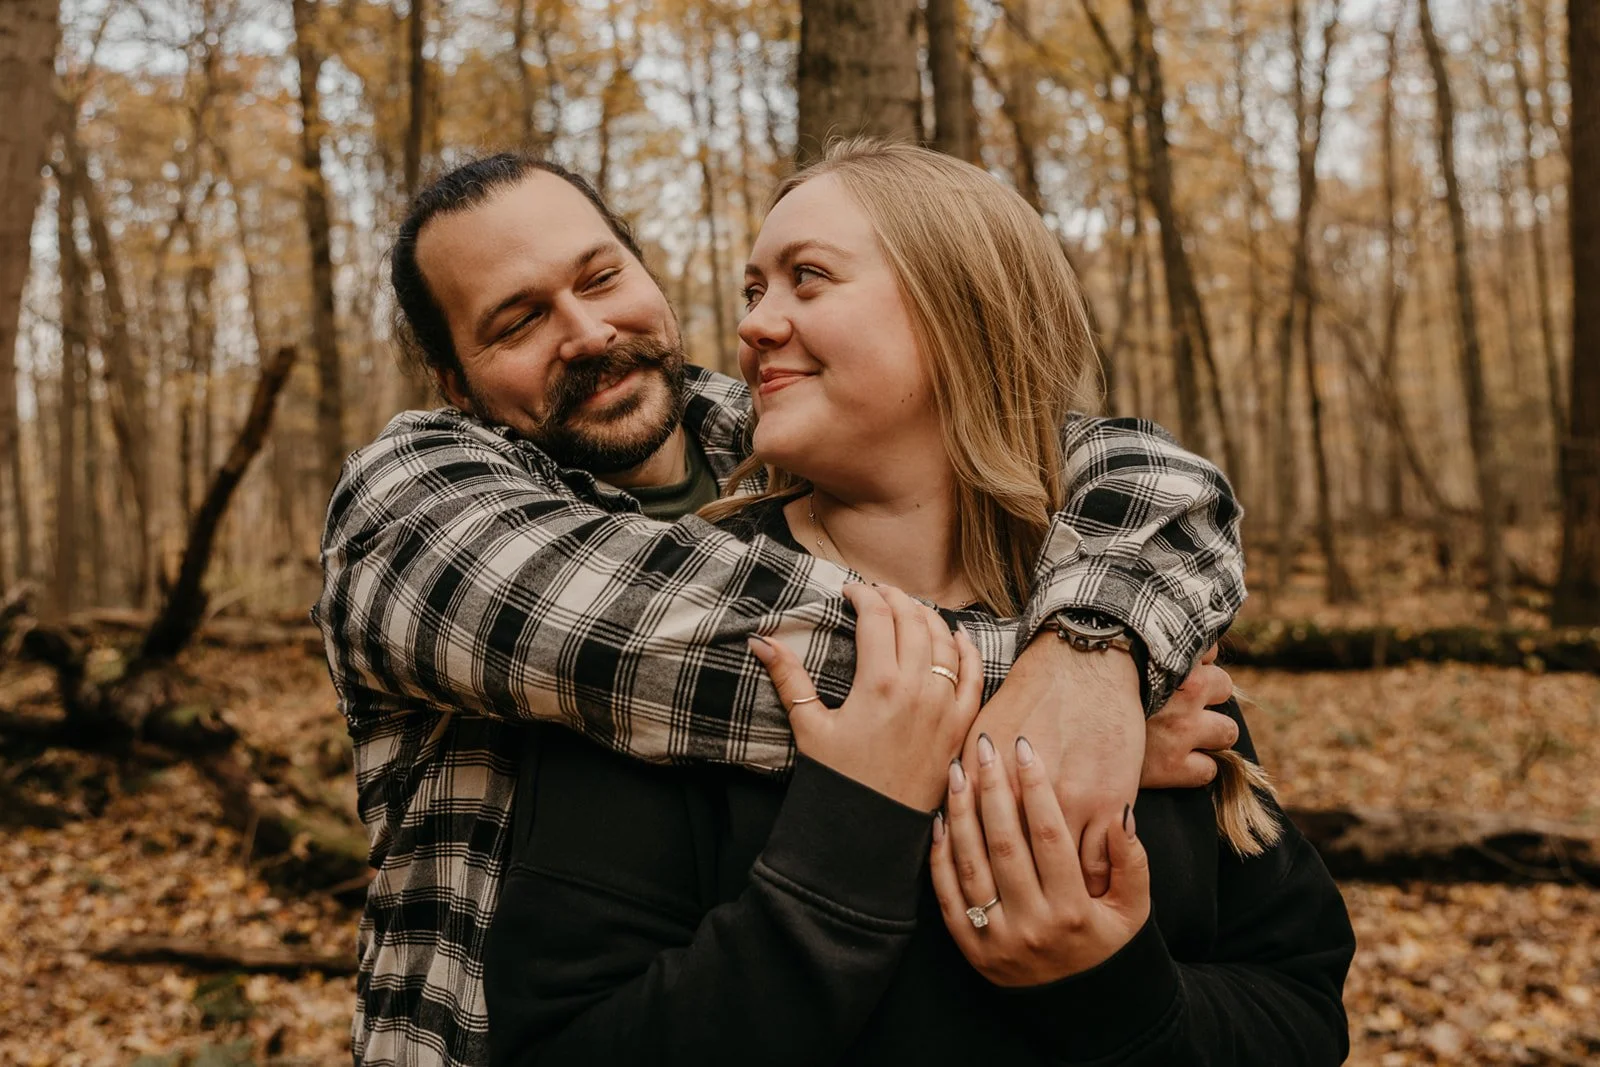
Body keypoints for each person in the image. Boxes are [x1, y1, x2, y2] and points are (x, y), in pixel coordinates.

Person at [316, 152, 1250, 1067]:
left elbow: (1136, 470)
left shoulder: (776, 428)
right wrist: (1068, 707)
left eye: (601, 277)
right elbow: (657, 638)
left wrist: (1094, 650)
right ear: (454, 381)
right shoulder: (407, 502)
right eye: (517, 322)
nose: (588, 331)